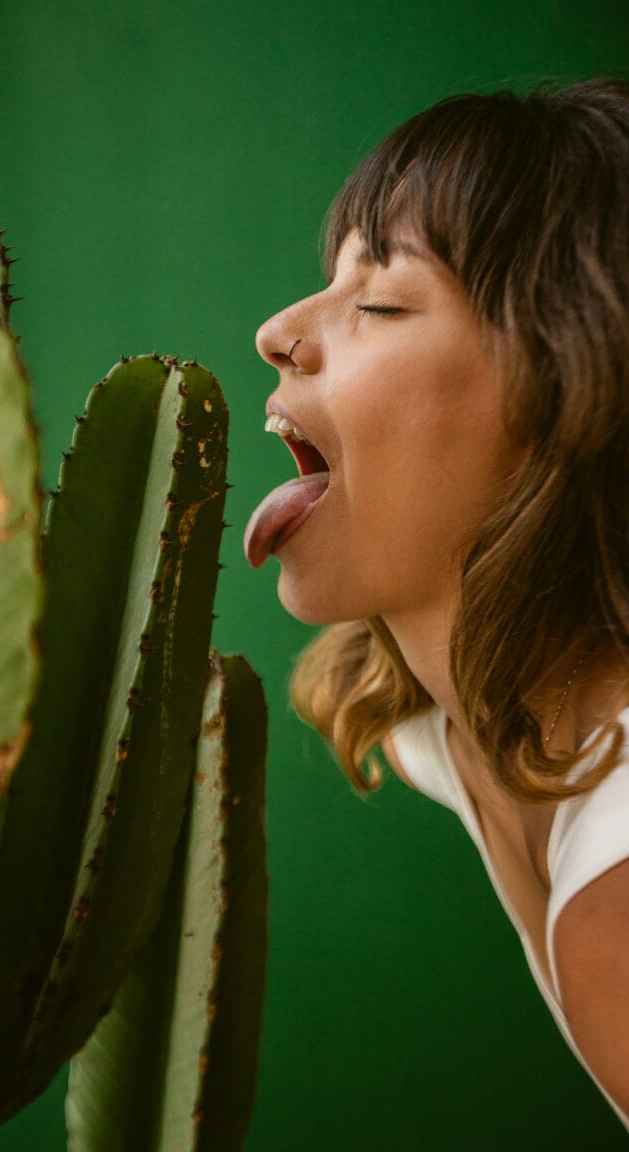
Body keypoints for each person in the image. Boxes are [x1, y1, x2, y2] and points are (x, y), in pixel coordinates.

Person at [244, 79, 629, 1128]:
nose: (277, 331)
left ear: (569, 387)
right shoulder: (455, 720)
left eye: (380, 302)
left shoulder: (619, 899)